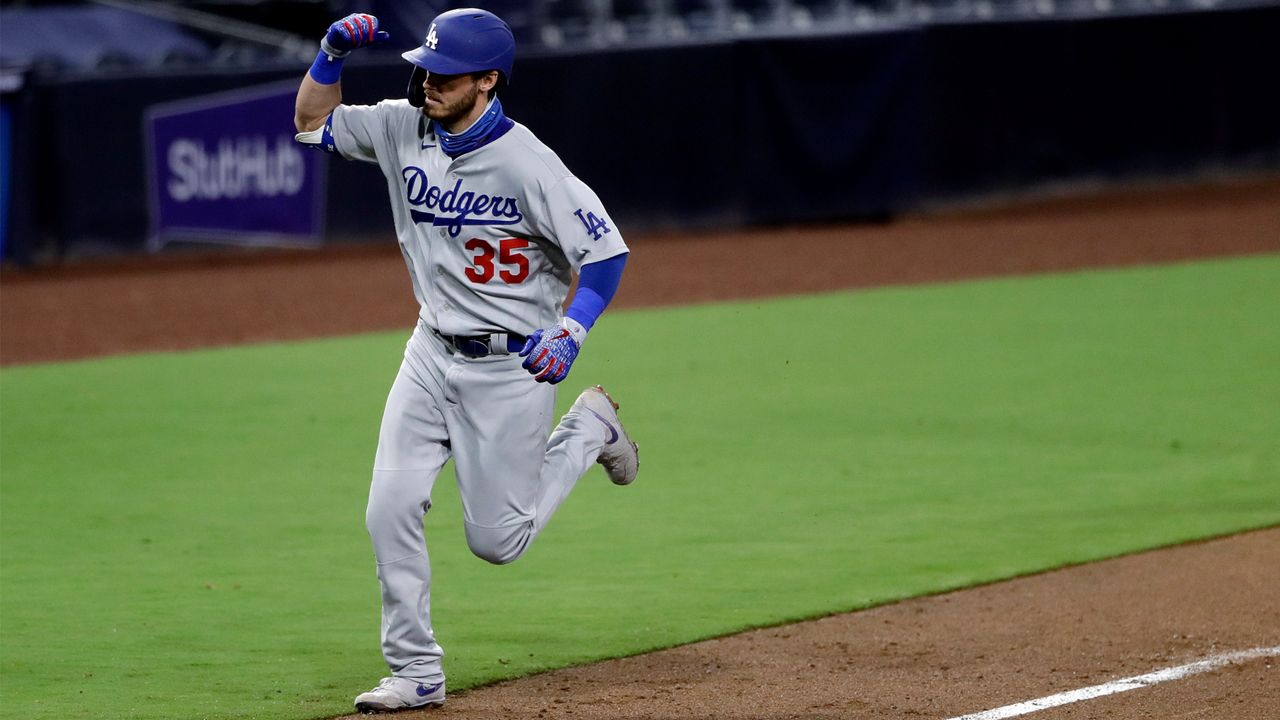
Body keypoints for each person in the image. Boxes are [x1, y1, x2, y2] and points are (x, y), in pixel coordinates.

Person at [293, 9, 639, 713]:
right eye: (426, 68)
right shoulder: (400, 125)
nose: (429, 83)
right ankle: (416, 670)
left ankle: (589, 430)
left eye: (447, 75)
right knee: (387, 508)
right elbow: (309, 122)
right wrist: (329, 53)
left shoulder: (529, 163)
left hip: (509, 369)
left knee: (498, 542)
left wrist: (571, 331)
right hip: (428, 352)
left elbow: (607, 253)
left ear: (488, 80)